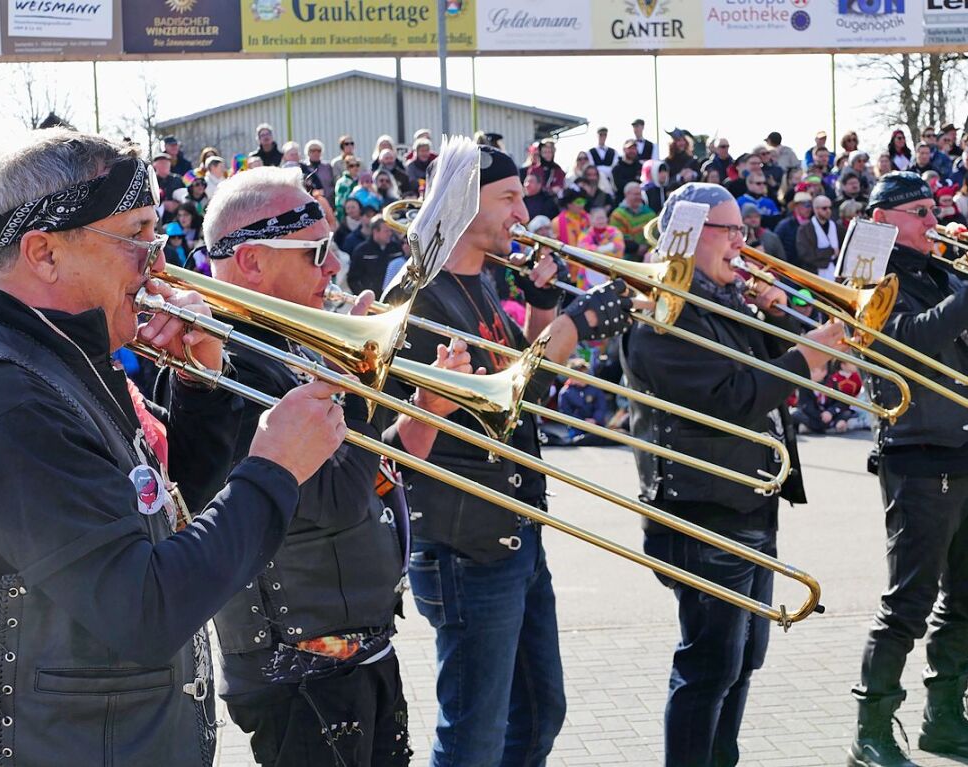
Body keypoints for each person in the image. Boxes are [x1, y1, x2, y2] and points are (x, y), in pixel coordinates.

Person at [0, 128, 347, 766]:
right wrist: (273, 469)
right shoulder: (6, 400)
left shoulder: (58, 355)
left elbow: (162, 510)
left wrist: (201, 388)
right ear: (44, 253)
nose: (157, 263)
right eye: (135, 236)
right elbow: (147, 608)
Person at [201, 166, 470, 767]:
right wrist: (358, 383)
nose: (334, 268)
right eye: (318, 251)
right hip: (303, 672)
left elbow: (374, 482)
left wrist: (427, 411)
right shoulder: (226, 366)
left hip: (357, 652)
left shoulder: (289, 346)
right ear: (251, 263)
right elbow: (334, 499)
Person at [389, 144, 634, 767]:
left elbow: (511, 385)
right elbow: (483, 409)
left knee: (538, 711)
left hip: (514, 526)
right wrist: (572, 330)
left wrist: (546, 309)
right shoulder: (420, 293)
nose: (523, 212)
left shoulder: (482, 279)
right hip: (466, 544)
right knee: (474, 733)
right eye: (509, 198)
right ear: (465, 204)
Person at [623, 182, 847, 767]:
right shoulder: (661, 315)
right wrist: (806, 356)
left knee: (744, 659)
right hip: (702, 511)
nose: (742, 244)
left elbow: (770, 368)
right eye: (730, 232)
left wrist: (772, 315)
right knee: (709, 665)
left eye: (742, 230)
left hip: (749, 502)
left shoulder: (725, 303)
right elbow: (730, 397)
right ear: (690, 237)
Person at [848, 171, 968, 767]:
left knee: (967, 599)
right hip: (918, 456)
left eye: (934, 208)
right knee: (908, 604)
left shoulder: (947, 273)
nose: (933, 220)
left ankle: (945, 718)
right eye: (920, 211)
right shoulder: (867, 278)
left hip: (964, 450)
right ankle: (870, 729)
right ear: (883, 218)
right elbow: (908, 342)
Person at [348, 215, 403, 298]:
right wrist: (363, 297)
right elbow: (353, 279)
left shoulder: (396, 249)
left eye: (390, 231)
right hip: (371, 301)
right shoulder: (362, 251)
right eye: (386, 231)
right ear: (375, 231)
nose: (390, 234)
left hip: (393, 299)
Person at [610, 181, 657, 261]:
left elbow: (654, 233)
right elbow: (617, 236)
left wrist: (646, 246)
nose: (638, 197)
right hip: (625, 256)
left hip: (647, 254)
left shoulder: (650, 213)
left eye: (639, 194)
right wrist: (636, 248)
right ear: (626, 195)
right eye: (635, 194)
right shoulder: (617, 215)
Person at [796, 195, 840, 278]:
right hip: (814, 275)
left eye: (830, 208)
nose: (828, 211)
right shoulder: (804, 229)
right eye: (824, 208)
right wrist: (831, 251)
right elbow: (806, 254)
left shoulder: (837, 227)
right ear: (815, 209)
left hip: (837, 275)